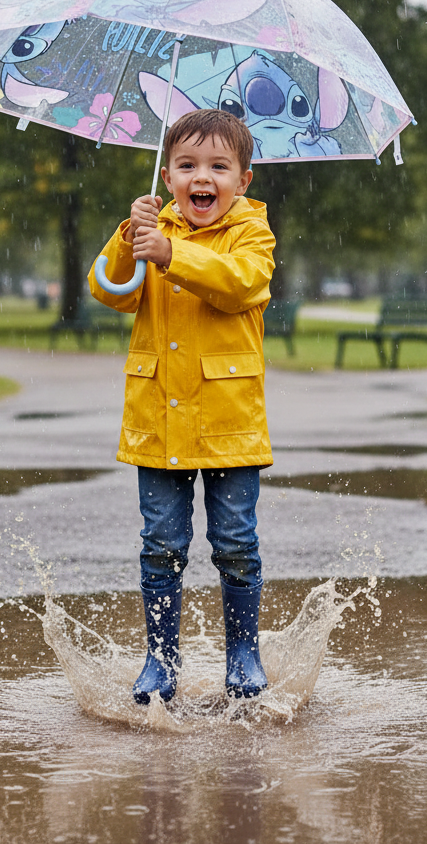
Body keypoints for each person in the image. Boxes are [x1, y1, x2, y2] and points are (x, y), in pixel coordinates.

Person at [88, 108, 276, 705]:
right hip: (159, 420)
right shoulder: (150, 228)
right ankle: (160, 660)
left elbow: (240, 284)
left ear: (243, 180)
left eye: (219, 167)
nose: (203, 178)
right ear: (167, 175)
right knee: (161, 545)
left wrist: (173, 254)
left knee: (235, 544)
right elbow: (109, 290)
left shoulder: (252, 234)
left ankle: (243, 654)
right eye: (188, 165)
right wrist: (129, 239)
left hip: (228, 422)